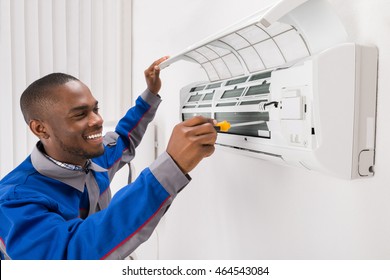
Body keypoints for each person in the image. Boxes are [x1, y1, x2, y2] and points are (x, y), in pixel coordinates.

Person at [0, 57, 217, 260]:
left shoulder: (90, 159)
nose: (98, 120)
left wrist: (150, 93)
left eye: (96, 109)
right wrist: (172, 165)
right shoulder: (15, 200)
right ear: (40, 128)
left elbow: (124, 138)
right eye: (80, 114)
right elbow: (70, 255)